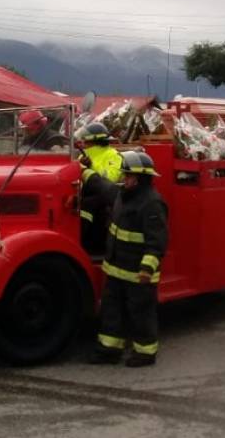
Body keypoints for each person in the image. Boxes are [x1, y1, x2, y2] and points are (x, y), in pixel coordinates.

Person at [89, 151, 168, 367]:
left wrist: (146, 269)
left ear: (140, 178)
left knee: (141, 312)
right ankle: (109, 350)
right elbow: (106, 188)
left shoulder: (151, 204)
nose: (124, 179)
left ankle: (145, 353)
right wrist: (87, 173)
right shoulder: (123, 196)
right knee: (111, 310)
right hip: (116, 268)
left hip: (137, 272)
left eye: (128, 176)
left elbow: (157, 241)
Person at [75, 123, 123, 254]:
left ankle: (86, 244)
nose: (82, 142)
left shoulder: (113, 155)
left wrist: (91, 167)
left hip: (105, 200)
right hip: (84, 195)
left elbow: (111, 179)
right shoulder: (82, 156)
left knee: (87, 206)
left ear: (94, 140)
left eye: (85, 140)